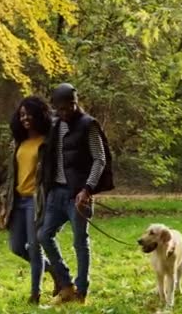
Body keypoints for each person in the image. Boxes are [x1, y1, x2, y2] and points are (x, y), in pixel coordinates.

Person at [38, 83, 114, 305]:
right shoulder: (53, 124)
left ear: (76, 102)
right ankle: (66, 284)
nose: (67, 111)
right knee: (44, 235)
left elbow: (100, 159)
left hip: (79, 195)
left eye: (71, 105)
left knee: (80, 242)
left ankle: (81, 291)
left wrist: (87, 189)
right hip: (56, 192)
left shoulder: (88, 125)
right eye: (61, 108)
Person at [0, 96, 59, 304]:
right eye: (22, 114)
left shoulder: (47, 142)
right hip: (17, 200)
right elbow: (11, 176)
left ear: (39, 115)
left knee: (34, 247)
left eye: (29, 114)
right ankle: (56, 272)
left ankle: (35, 294)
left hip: (36, 201)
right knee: (16, 247)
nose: (25, 118)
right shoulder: (18, 142)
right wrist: (5, 206)